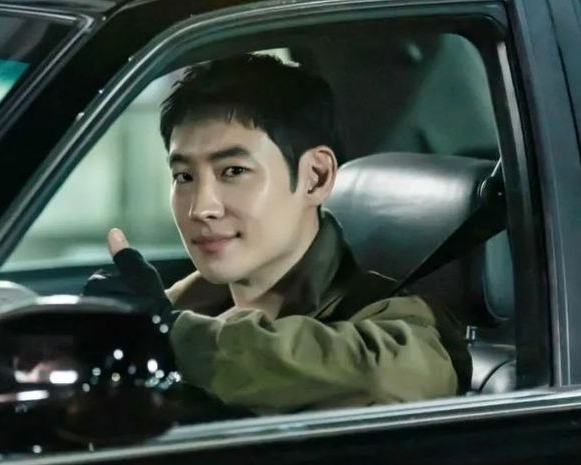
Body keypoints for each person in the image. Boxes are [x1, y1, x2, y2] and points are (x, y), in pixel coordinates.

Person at [83, 54, 471, 413]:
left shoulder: (398, 324)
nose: (201, 208)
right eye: (184, 176)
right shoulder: (185, 306)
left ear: (315, 177)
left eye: (233, 171)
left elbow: (384, 378)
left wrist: (167, 333)